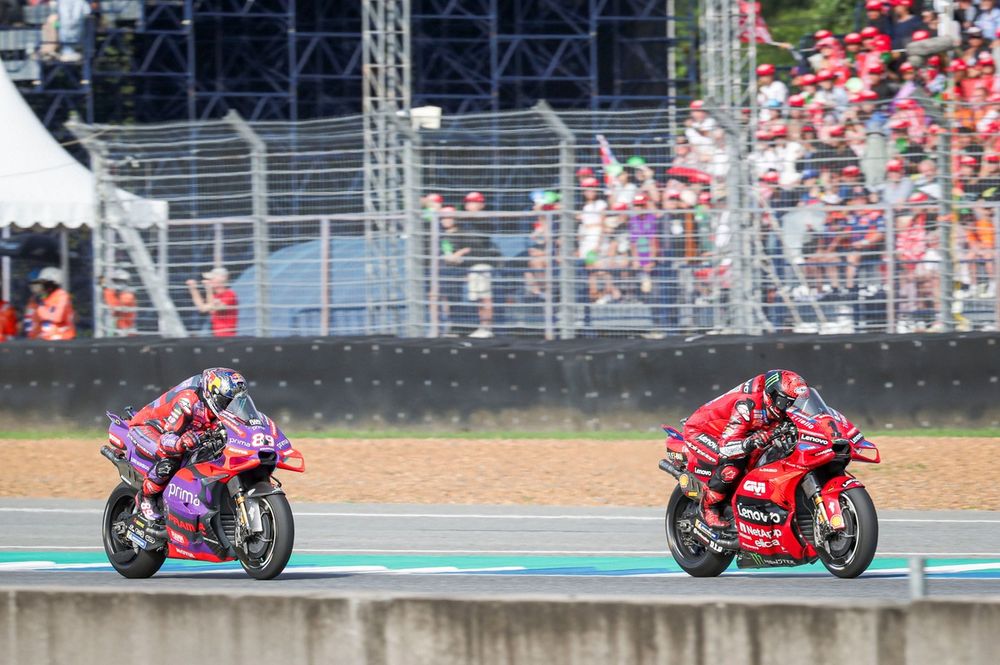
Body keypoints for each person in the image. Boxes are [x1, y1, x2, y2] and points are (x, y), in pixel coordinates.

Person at [683, 369, 809, 530]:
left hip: (744, 431)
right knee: (731, 466)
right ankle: (709, 507)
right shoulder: (746, 405)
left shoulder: (776, 403)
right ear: (771, 396)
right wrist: (751, 442)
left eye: (795, 402)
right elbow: (727, 448)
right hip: (703, 432)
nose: (790, 408)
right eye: (787, 403)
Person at [128, 368, 247, 526]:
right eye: (227, 401)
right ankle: (145, 496)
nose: (230, 406)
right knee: (171, 458)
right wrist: (180, 443)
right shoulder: (188, 401)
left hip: (184, 432)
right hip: (148, 428)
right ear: (214, 394)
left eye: (234, 402)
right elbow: (167, 438)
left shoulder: (218, 409)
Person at [186, 267, 238, 337]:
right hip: (217, 336)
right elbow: (203, 308)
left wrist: (209, 289)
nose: (210, 281)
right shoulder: (215, 296)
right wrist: (193, 289)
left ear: (223, 278)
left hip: (228, 337)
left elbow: (217, 308)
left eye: (212, 278)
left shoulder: (230, 294)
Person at [30, 267, 76, 341]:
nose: (42, 286)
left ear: (52, 284)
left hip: (63, 339)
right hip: (48, 339)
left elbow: (57, 317)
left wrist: (41, 306)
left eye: (44, 283)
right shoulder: (45, 298)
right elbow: (38, 320)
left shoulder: (62, 296)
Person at [101, 269, 137, 336]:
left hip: (126, 330)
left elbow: (116, 308)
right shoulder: (111, 293)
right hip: (114, 328)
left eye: (122, 281)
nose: (118, 284)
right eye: (116, 281)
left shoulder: (128, 295)